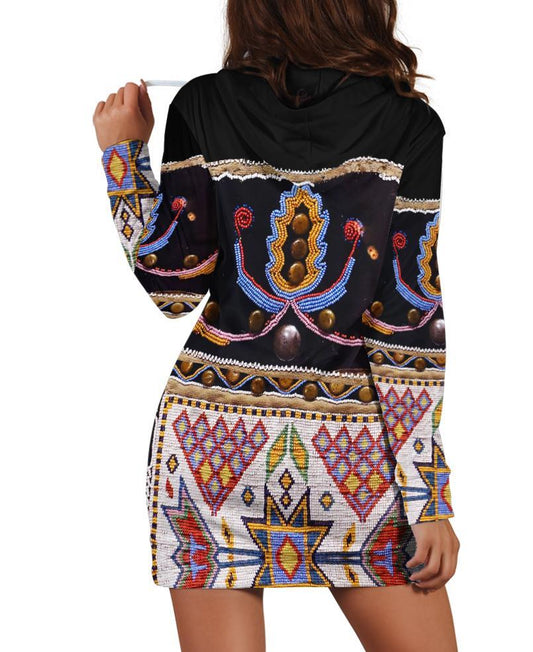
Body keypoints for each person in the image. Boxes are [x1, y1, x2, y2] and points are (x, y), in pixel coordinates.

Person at [93, 1, 460, 649]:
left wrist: (123, 157)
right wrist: (426, 494)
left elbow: (174, 289)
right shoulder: (410, 123)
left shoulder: (204, 103)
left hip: (213, 439)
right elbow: (408, 318)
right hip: (356, 449)